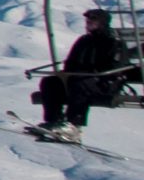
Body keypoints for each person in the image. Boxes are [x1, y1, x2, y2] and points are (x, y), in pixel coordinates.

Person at [31, 8, 139, 144]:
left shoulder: (113, 42)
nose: (88, 23)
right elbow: (71, 62)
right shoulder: (84, 40)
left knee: (79, 83)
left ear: (102, 23)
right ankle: (54, 121)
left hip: (106, 83)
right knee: (50, 82)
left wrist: (89, 72)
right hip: (82, 79)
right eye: (88, 21)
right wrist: (67, 74)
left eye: (93, 20)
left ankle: (74, 125)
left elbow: (117, 67)